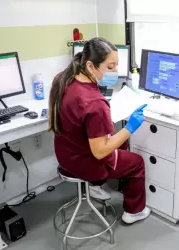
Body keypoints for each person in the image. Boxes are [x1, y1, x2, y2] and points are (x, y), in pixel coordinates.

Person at [48, 37, 150, 224]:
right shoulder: (95, 103)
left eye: (117, 65)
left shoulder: (63, 78)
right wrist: (130, 128)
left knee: (121, 143)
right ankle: (134, 212)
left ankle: (95, 186)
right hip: (87, 163)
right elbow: (100, 151)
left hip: (66, 156)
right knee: (136, 162)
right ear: (90, 66)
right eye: (110, 67)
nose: (116, 71)